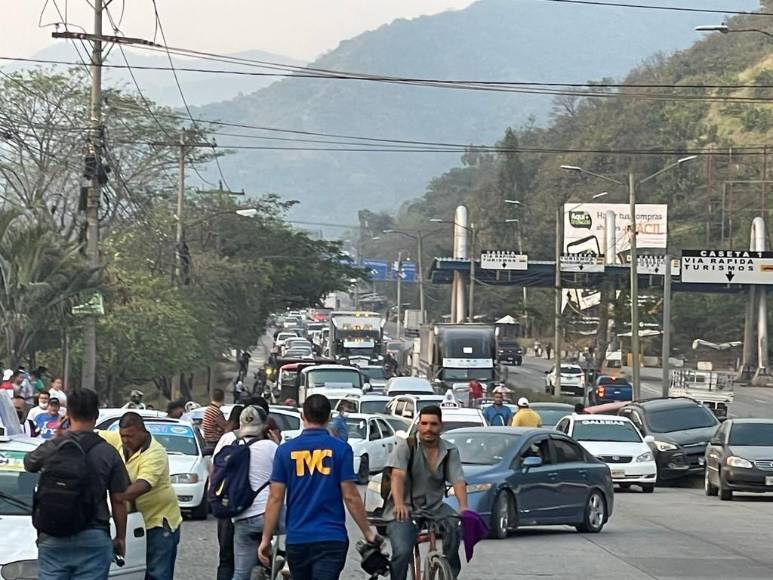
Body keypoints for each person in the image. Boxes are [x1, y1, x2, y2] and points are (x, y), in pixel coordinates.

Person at [258, 394, 378, 580]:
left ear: (302, 416)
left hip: (298, 538)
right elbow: (351, 496)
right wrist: (368, 532)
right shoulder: (341, 449)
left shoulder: (285, 451)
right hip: (331, 537)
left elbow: (275, 498)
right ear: (329, 418)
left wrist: (266, 539)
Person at [24, 388, 129, 580]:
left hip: (52, 534)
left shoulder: (55, 446)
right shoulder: (108, 453)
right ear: (96, 415)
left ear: (68, 414)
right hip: (94, 535)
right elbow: (119, 500)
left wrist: (57, 439)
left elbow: (30, 463)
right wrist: (121, 537)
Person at [385, 405, 469, 580]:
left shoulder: (450, 450)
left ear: (441, 426)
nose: (428, 428)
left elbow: (458, 480)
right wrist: (399, 503)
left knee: (455, 525)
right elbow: (397, 476)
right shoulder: (406, 446)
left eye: (433, 424)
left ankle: (449, 574)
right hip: (404, 508)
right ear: (418, 425)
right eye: (424, 423)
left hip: (434, 507)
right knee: (402, 550)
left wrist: (463, 507)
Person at [100, 412, 182, 580]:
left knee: (157, 573)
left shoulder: (155, 453)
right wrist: (67, 429)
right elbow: (91, 434)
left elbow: (142, 485)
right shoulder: (119, 440)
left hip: (158, 521)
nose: (125, 440)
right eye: (122, 436)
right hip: (136, 521)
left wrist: (118, 497)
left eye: (130, 436)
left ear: (142, 432)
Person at [213, 406, 278, 580]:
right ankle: (284, 561)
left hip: (240, 516)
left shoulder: (232, 446)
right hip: (267, 516)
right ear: (264, 425)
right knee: (295, 526)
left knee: (241, 572)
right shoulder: (271, 447)